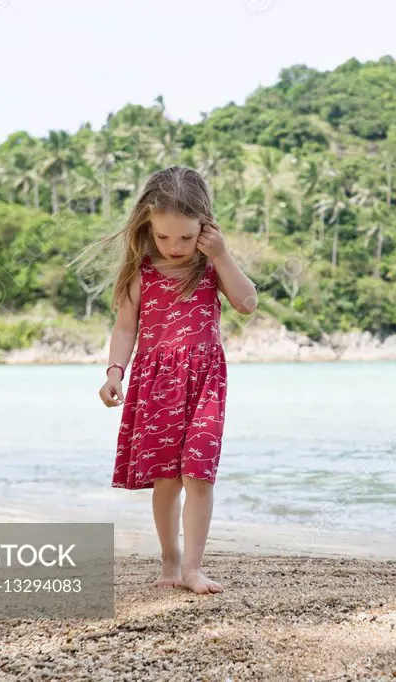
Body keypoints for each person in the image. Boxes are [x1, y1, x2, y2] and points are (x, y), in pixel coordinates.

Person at [75, 166, 257, 594]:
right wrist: (114, 373)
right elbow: (124, 329)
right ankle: (170, 562)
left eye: (186, 237)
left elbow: (248, 303)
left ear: (205, 227)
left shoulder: (212, 268)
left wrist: (223, 255)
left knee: (199, 473)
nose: (174, 247)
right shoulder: (141, 272)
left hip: (205, 382)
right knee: (167, 479)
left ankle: (194, 568)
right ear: (147, 226)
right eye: (163, 237)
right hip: (155, 383)